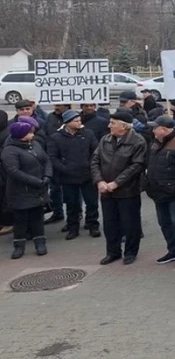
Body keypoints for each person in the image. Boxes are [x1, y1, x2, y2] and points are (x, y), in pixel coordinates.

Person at [91, 111, 147, 265]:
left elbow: (136, 166)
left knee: (130, 224)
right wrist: (99, 181)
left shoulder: (138, 141)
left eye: (113, 123)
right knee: (110, 224)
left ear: (124, 126)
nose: (109, 125)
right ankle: (113, 252)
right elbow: (95, 160)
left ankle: (130, 252)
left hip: (128, 191)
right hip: (106, 191)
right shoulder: (105, 139)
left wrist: (116, 183)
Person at [143, 116, 175, 267]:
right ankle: (173, 250)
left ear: (164, 129)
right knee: (164, 223)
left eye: (155, 127)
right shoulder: (156, 142)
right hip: (158, 191)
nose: (153, 130)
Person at [47, 109, 100, 240]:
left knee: (92, 202)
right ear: (67, 122)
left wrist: (90, 166)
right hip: (68, 177)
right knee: (71, 204)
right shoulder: (56, 137)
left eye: (80, 120)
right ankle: (73, 228)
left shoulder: (88, 134)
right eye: (76, 121)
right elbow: (53, 157)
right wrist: (64, 168)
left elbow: (96, 151)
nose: (79, 123)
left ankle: (93, 225)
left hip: (87, 175)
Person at [2, 120, 52, 259]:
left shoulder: (34, 144)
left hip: (38, 189)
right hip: (20, 191)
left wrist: (48, 175)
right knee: (20, 221)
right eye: (29, 132)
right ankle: (19, 246)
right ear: (21, 135)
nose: (33, 134)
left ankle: (40, 244)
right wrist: (36, 181)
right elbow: (13, 171)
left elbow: (46, 159)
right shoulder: (9, 150)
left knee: (37, 218)